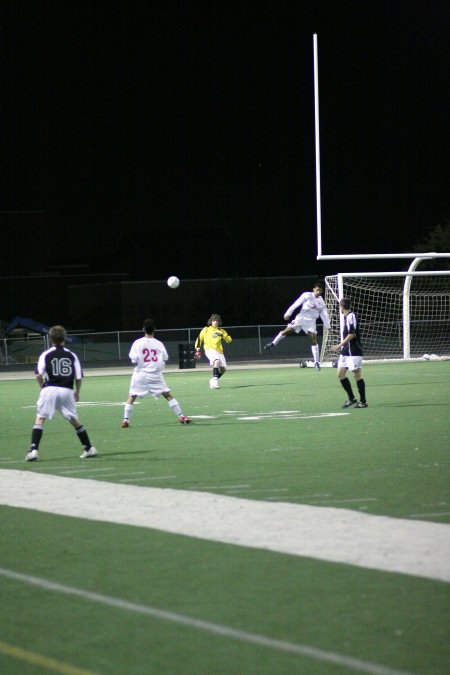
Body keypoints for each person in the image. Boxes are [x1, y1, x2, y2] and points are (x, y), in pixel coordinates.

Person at [25, 325, 97, 461]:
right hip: (67, 390)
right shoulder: (71, 355)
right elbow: (79, 377)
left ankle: (33, 450)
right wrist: (77, 392)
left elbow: (38, 374)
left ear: (51, 338)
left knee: (40, 418)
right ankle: (89, 448)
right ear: (65, 338)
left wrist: (42, 387)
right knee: (74, 420)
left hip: (50, 388)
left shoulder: (46, 354)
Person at [121, 319, 192, 427]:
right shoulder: (159, 344)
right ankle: (181, 416)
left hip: (140, 374)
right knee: (167, 395)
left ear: (143, 329)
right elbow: (165, 357)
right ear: (154, 329)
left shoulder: (137, 342)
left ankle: (126, 420)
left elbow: (134, 359)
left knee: (132, 396)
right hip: (155, 375)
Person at [264, 281, 330, 369]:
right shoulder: (307, 295)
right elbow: (296, 303)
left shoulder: (321, 302)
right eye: (317, 290)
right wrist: (288, 313)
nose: (318, 292)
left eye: (320, 291)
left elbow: (324, 314)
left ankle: (317, 362)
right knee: (286, 331)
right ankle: (273, 343)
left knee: (313, 339)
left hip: (311, 322)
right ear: (313, 289)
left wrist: (327, 325)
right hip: (301, 318)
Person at [331, 297, 368, 408]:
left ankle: (363, 401)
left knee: (356, 375)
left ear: (342, 306)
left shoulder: (351, 316)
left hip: (354, 351)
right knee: (340, 374)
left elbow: (352, 334)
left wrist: (339, 345)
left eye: (340, 306)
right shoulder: (346, 317)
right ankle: (351, 398)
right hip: (346, 351)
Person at [194, 314, 232, 389]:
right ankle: (215, 382)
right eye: (214, 320)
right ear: (211, 321)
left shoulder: (221, 331)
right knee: (216, 361)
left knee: (223, 369)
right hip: (209, 349)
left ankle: (213, 380)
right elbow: (199, 339)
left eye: (217, 321)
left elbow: (229, 340)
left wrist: (225, 336)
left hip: (219, 351)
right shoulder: (206, 329)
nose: (215, 322)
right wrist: (197, 350)